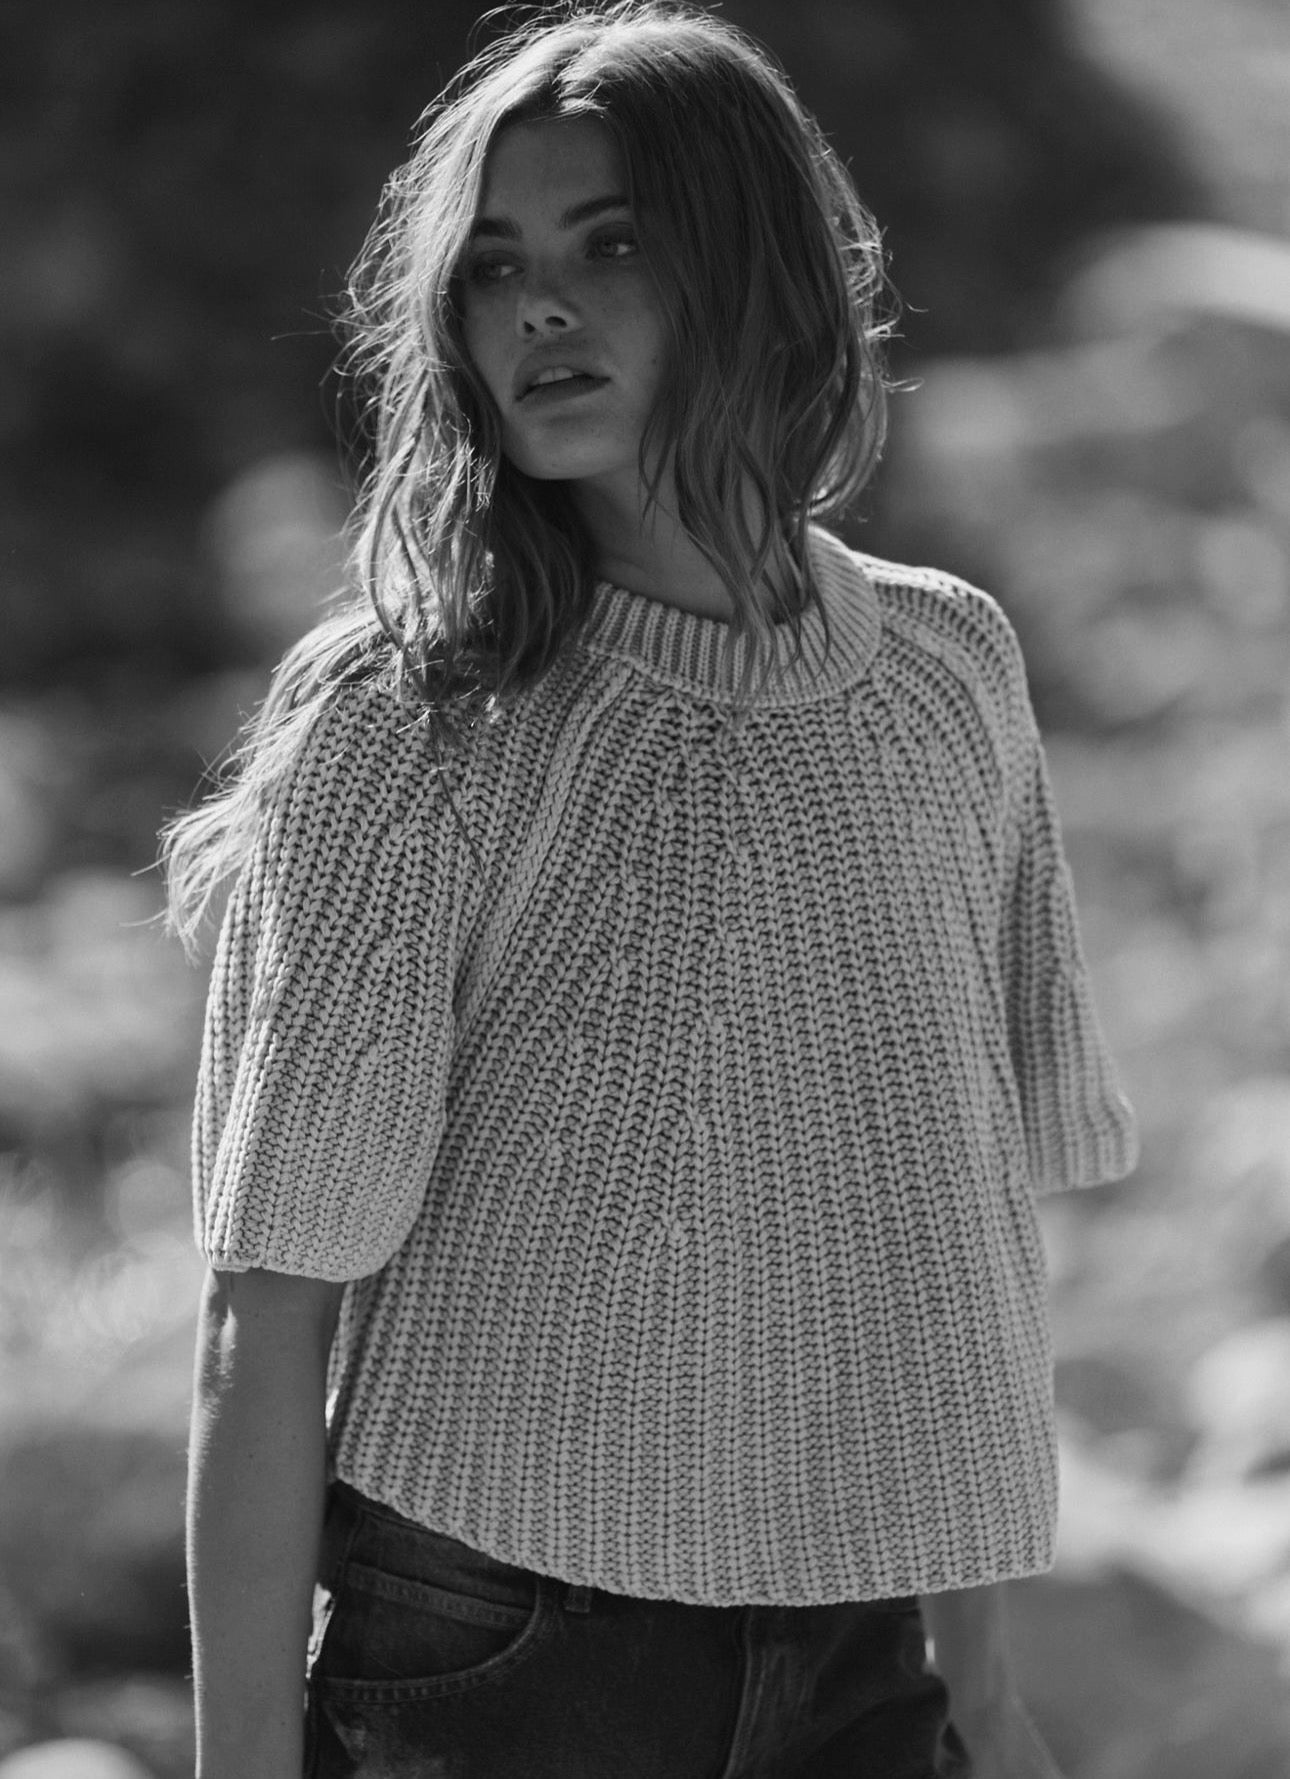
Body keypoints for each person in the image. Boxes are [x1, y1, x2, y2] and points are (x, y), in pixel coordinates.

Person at [168, 4, 1139, 1775]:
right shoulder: (416, 719)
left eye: (609, 244)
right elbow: (269, 1299)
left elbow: (954, 1238)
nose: (536, 307)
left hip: (864, 1649)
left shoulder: (948, 672)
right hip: (502, 1648)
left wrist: (984, 1691)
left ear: (755, 270)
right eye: (492, 266)